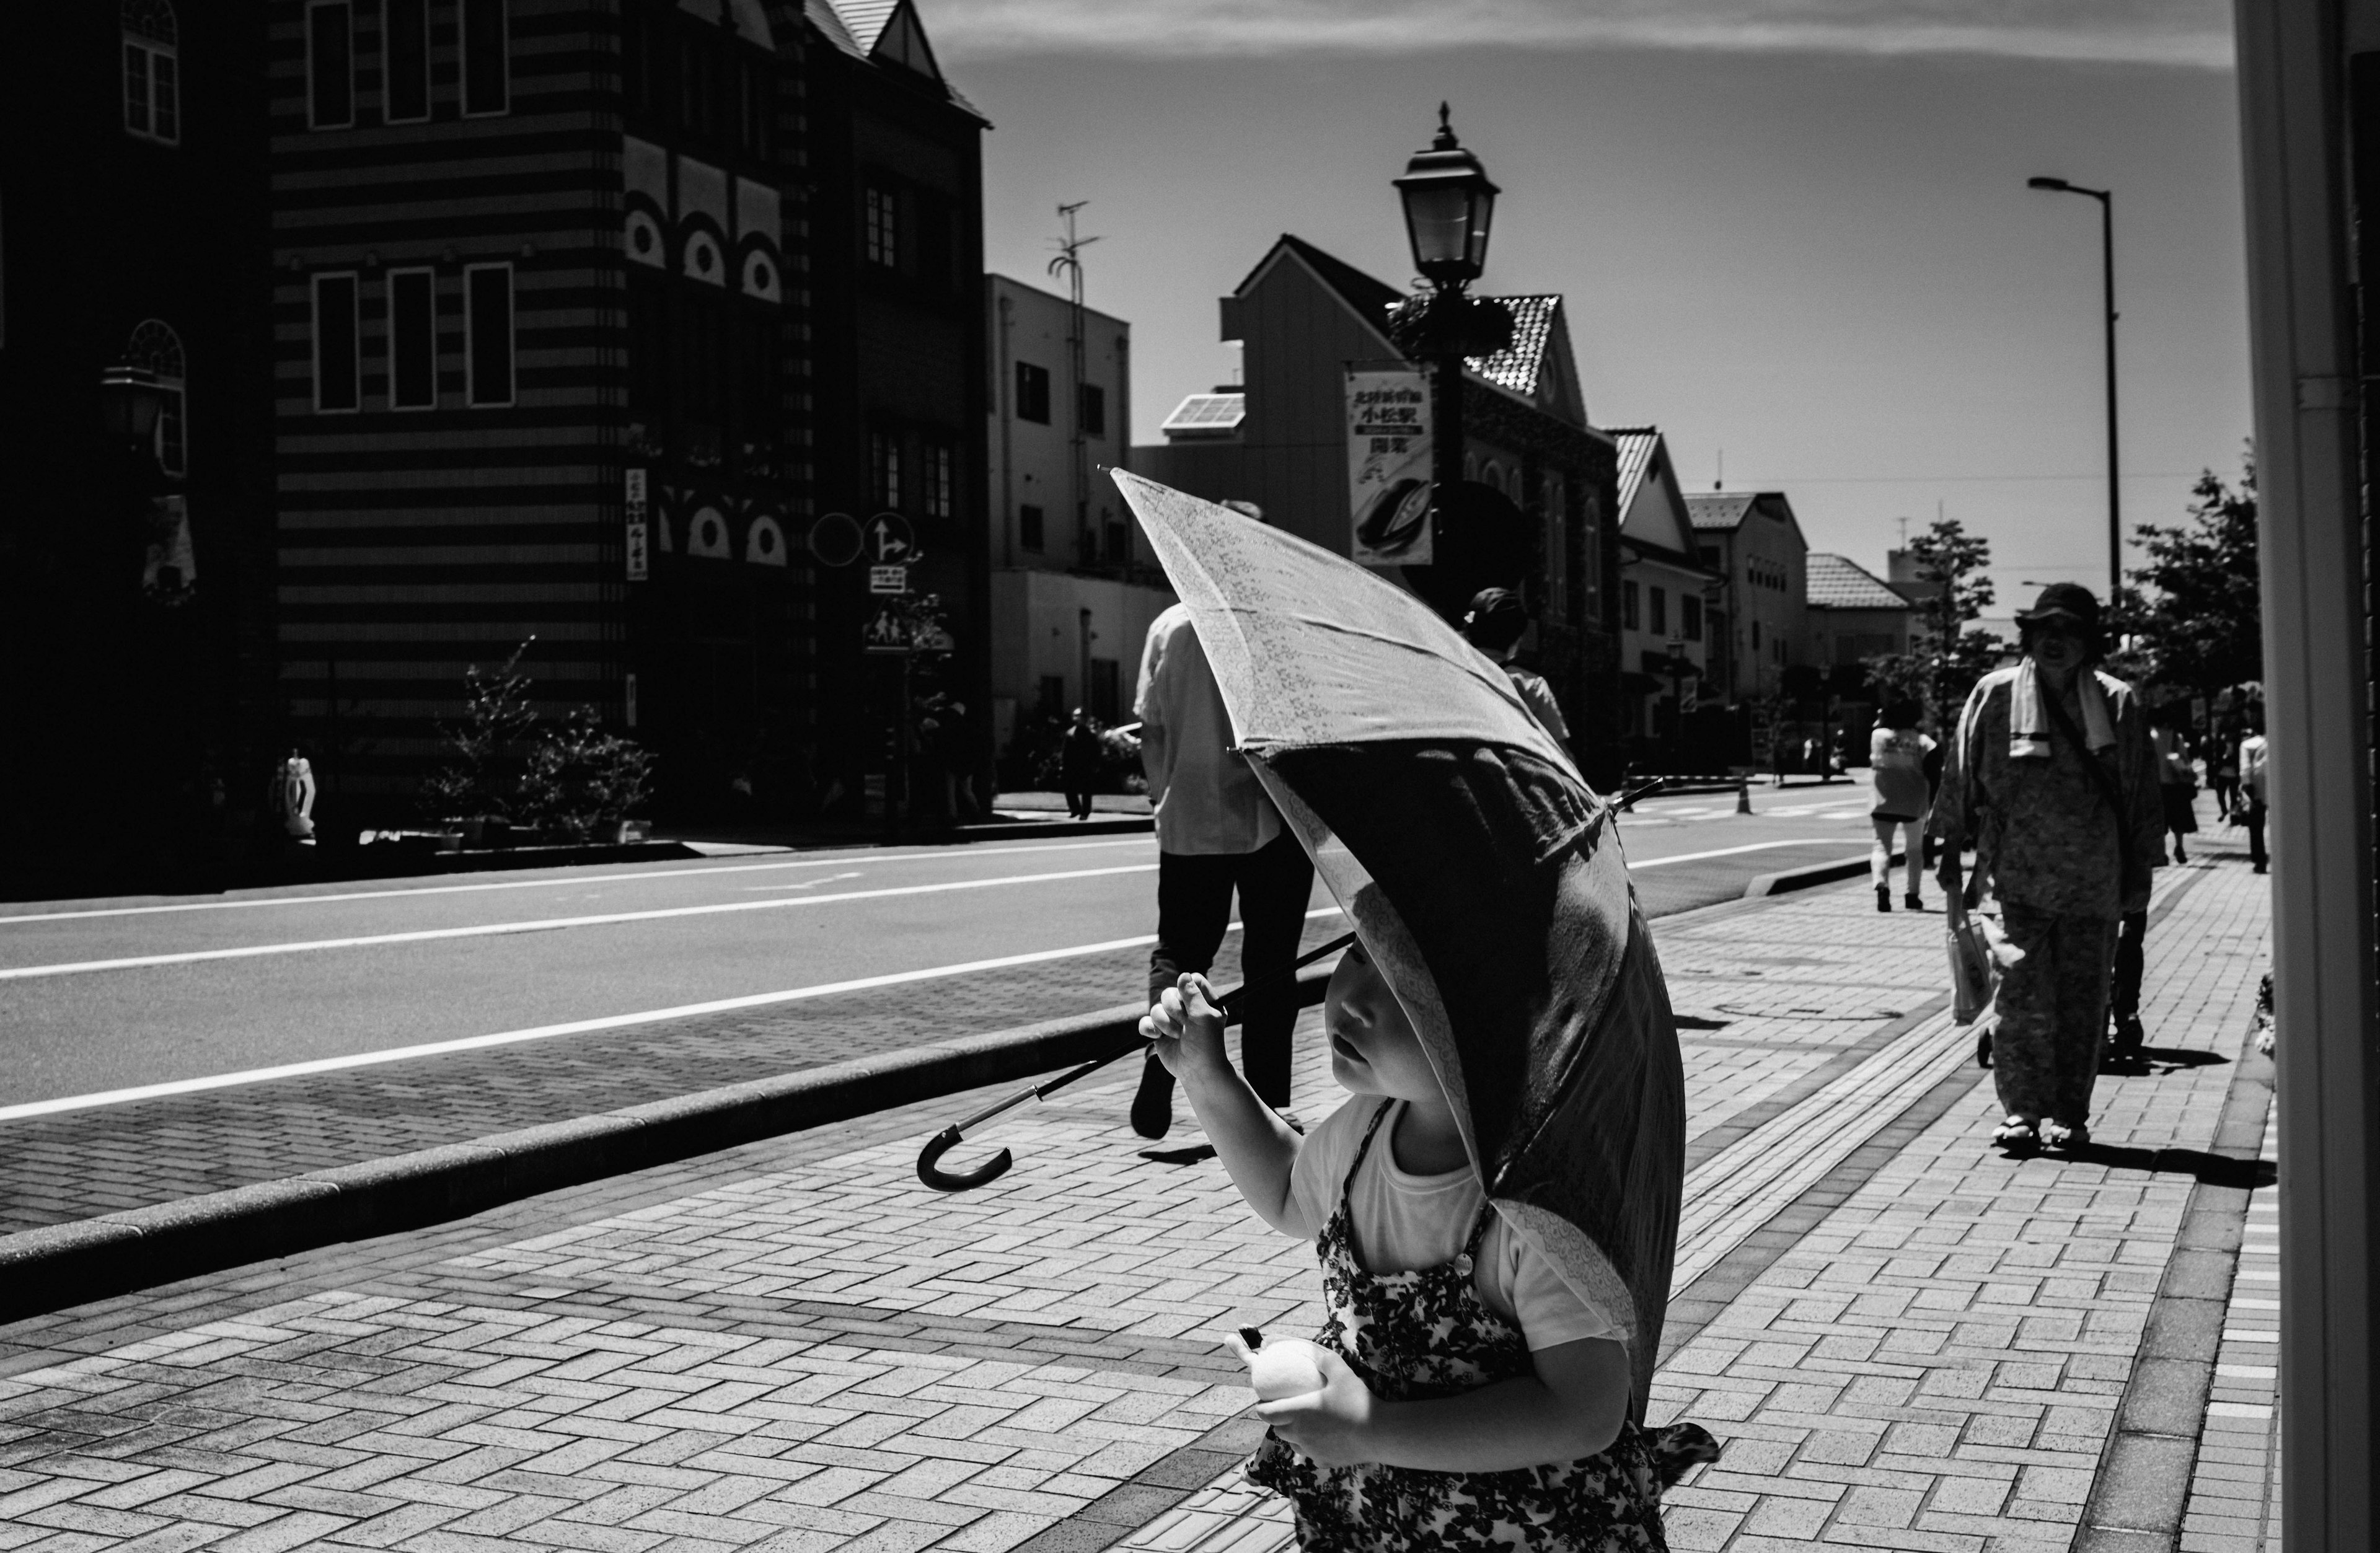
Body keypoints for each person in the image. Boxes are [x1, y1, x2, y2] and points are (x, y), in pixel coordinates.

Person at [1139, 938, 1670, 1550]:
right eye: (1363, 953)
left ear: (1505, 1020)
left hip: (1534, 1529)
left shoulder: (1538, 1200)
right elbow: (1291, 1191)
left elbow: (1584, 1409)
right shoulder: (1366, 1125)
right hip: (1385, 1517)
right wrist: (1206, 1076)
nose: (1357, 1001)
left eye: (1408, 989)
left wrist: (1373, 1428)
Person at [1934, 583, 2162, 1153]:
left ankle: (2070, 1115)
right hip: (2013, 880)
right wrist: (1948, 853)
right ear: (2029, 637)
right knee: (2018, 1002)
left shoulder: (2116, 701)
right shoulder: (1996, 693)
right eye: (2045, 630)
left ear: (2090, 643)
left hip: (2095, 883)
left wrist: (2140, 879)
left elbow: (2140, 797)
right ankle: (2023, 1112)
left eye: (2070, 631)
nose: (2056, 642)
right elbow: (1961, 775)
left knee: (2085, 1005)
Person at [1130, 602, 1316, 1136]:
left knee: (1180, 948)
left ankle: (1161, 1046)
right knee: (1272, 961)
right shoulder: (1271, 620)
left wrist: (1160, 800)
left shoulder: (1168, 625)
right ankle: (1269, 1103)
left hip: (1190, 814)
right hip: (1271, 815)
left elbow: (1152, 728)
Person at [1461, 588, 1572, 755]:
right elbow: (1562, 757)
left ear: (1468, 632)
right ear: (1517, 638)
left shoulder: (1448, 675)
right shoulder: (1531, 687)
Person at [1868, 699, 1935, 912]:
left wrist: (1882, 718)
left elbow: (1878, 732)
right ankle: (1912, 895)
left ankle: (1882, 885)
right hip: (1914, 802)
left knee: (1881, 846)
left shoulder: (1877, 737)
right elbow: (1934, 771)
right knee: (1914, 850)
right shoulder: (1924, 742)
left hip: (1882, 800)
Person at [2151, 705, 2200, 865]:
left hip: (2156, 784)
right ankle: (2179, 847)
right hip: (2175, 784)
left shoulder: (2149, 735)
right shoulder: (2176, 737)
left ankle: (2162, 852)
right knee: (2178, 820)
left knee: (2160, 821)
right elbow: (2185, 759)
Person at [2238, 708, 2270, 874]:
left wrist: (2247, 788)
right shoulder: (2281, 742)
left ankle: (2260, 860)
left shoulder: (2247, 745)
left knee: (2256, 827)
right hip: (2277, 790)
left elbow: (2245, 769)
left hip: (2256, 790)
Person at [1059, 707, 1101, 822]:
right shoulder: (1070, 733)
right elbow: (1065, 751)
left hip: (1086, 766)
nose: (1078, 719)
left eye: (1080, 716)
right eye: (1076, 716)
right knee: (1069, 789)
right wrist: (1063, 764)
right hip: (1072, 765)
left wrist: (1095, 764)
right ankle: (1075, 809)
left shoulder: (1090, 734)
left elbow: (1097, 751)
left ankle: (1085, 812)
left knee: (1086, 790)